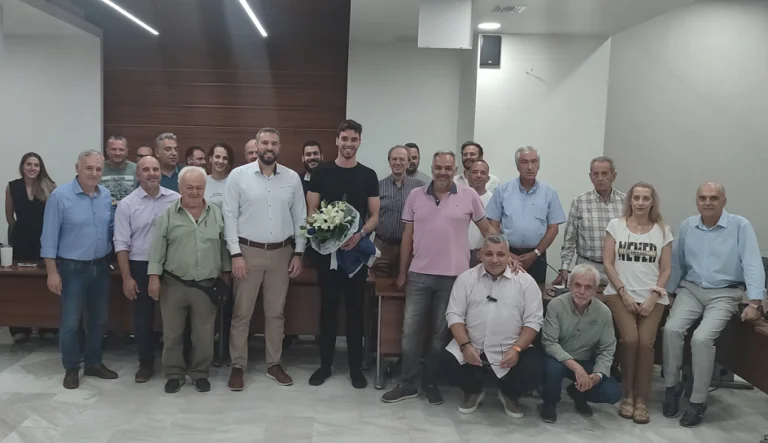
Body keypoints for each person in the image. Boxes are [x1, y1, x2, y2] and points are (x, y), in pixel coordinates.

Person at [381, 151, 493, 405]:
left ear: (455, 170)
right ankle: (407, 383)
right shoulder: (415, 195)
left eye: (448, 168)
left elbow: (488, 230)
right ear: (431, 168)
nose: (443, 172)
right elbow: (407, 237)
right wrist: (402, 272)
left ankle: (430, 383)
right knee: (410, 332)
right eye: (438, 167)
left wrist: (505, 256)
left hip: (454, 279)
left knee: (439, 335)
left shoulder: (469, 195)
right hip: (419, 275)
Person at [662, 182, 765, 428]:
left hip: (725, 292)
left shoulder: (740, 225)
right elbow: (677, 263)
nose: (708, 202)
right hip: (691, 290)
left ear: (724, 201)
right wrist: (669, 292)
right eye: (703, 198)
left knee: (702, 339)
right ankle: (672, 387)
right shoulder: (688, 226)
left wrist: (754, 301)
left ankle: (698, 401)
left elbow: (752, 262)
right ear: (696, 201)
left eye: (714, 198)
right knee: (671, 330)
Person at [223, 128, 306, 390]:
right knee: (241, 314)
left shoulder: (292, 178)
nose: (269, 147)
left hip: (282, 253)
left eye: (274, 143)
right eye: (265, 143)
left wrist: (299, 252)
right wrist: (235, 253)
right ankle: (238, 365)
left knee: (276, 314)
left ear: (279, 147)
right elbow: (229, 216)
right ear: (256, 146)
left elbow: (300, 217)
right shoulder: (238, 176)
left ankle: (274, 364)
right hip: (247, 253)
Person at [306, 119, 379, 389]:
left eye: (354, 139)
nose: (349, 143)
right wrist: (329, 235)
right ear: (337, 140)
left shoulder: (368, 175)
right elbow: (312, 211)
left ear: (359, 142)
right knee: (328, 309)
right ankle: (325, 365)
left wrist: (359, 235)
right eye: (345, 138)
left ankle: (355, 368)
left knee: (355, 311)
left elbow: (375, 215)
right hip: (327, 254)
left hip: (355, 255)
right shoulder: (321, 173)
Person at [439, 233, 544, 418]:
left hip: (511, 347)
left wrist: (517, 349)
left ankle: (510, 394)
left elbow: (533, 321)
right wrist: (465, 345)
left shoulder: (526, 282)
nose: (494, 260)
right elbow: (454, 314)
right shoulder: (466, 279)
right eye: (489, 254)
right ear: (480, 254)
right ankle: (472, 391)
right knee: (444, 361)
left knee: (535, 368)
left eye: (501, 254)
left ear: (509, 255)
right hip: (473, 344)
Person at [148, 166, 231, 394]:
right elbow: (157, 248)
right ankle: (174, 374)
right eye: (189, 188)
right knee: (172, 333)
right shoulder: (168, 215)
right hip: (173, 284)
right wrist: (153, 278)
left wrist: (226, 275)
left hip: (206, 286)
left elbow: (223, 247)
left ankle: (200, 373)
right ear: (180, 188)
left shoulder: (216, 213)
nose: (194, 192)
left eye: (199, 188)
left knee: (203, 335)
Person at [41, 150, 117, 389]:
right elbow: (49, 237)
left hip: (100, 267)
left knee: (98, 320)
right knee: (71, 322)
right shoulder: (60, 196)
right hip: (72, 269)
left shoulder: (105, 195)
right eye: (89, 168)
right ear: (77, 168)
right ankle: (72, 367)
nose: (94, 173)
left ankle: (93, 362)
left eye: (98, 169)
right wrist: (52, 272)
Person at [602, 182, 672, 424]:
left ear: (652, 202)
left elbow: (666, 269)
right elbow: (608, 263)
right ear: (630, 201)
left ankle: (641, 399)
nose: (640, 202)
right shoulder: (616, 225)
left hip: (653, 297)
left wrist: (653, 297)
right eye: (636, 198)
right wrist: (624, 293)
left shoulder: (663, 230)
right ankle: (628, 395)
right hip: (620, 294)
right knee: (630, 339)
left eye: (645, 198)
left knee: (645, 344)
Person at [113, 156, 180, 383]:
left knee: (175, 316)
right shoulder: (127, 204)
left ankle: (177, 361)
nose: (152, 173)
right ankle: (146, 363)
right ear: (137, 174)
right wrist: (126, 278)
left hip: (170, 265)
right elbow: (121, 243)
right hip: (140, 265)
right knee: (143, 318)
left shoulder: (175, 199)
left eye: (155, 169)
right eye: (146, 169)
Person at [540, 263, 622, 423]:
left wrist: (597, 375)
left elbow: (607, 349)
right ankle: (550, 402)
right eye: (577, 285)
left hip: (586, 360)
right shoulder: (556, 305)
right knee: (552, 369)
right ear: (569, 285)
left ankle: (579, 393)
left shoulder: (604, 312)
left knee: (613, 393)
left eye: (588, 287)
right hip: (558, 359)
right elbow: (549, 343)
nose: (582, 291)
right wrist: (576, 368)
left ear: (595, 290)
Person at [486, 146, 566, 283]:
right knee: (504, 292)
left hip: (537, 256)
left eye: (534, 162)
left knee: (535, 292)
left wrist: (535, 253)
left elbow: (553, 229)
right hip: (507, 255)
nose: (530, 167)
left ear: (538, 165)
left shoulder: (549, 193)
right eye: (524, 162)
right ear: (517, 166)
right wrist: (506, 252)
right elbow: (493, 225)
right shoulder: (502, 191)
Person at [5, 152, 57, 341]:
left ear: (40, 168)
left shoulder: (49, 186)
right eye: (29, 164)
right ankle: (20, 327)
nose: (32, 168)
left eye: (36, 165)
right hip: (21, 239)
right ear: (22, 167)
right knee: (19, 283)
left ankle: (47, 326)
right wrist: (19, 232)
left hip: (44, 239)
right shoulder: (12, 186)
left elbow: (54, 216)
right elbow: (10, 217)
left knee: (44, 282)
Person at [556, 156, 626, 285]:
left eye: (604, 174)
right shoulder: (579, 202)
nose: (600, 178)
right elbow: (570, 240)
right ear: (590, 177)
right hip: (587, 267)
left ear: (614, 176)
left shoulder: (626, 202)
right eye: (596, 174)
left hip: (617, 269)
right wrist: (564, 269)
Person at [373, 145, 424, 276]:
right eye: (394, 159)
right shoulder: (378, 186)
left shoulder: (420, 187)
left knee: (408, 282)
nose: (398, 162)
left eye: (402, 159)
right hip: (383, 246)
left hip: (410, 247)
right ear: (389, 162)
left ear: (408, 162)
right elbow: (370, 215)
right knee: (378, 283)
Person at [467, 160, 493, 268]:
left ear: (488, 178)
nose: (478, 175)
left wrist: (488, 247)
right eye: (475, 172)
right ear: (468, 176)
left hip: (481, 255)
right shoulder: (459, 197)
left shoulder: (494, 200)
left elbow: (496, 229)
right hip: (459, 253)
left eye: (483, 173)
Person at [101, 135, 137, 206]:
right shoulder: (99, 169)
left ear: (127, 152)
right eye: (113, 149)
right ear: (107, 151)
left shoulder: (136, 169)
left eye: (121, 150)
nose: (117, 153)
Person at [205, 142, 234, 210]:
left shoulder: (233, 181)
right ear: (210, 158)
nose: (221, 161)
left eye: (225, 158)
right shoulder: (202, 181)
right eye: (217, 157)